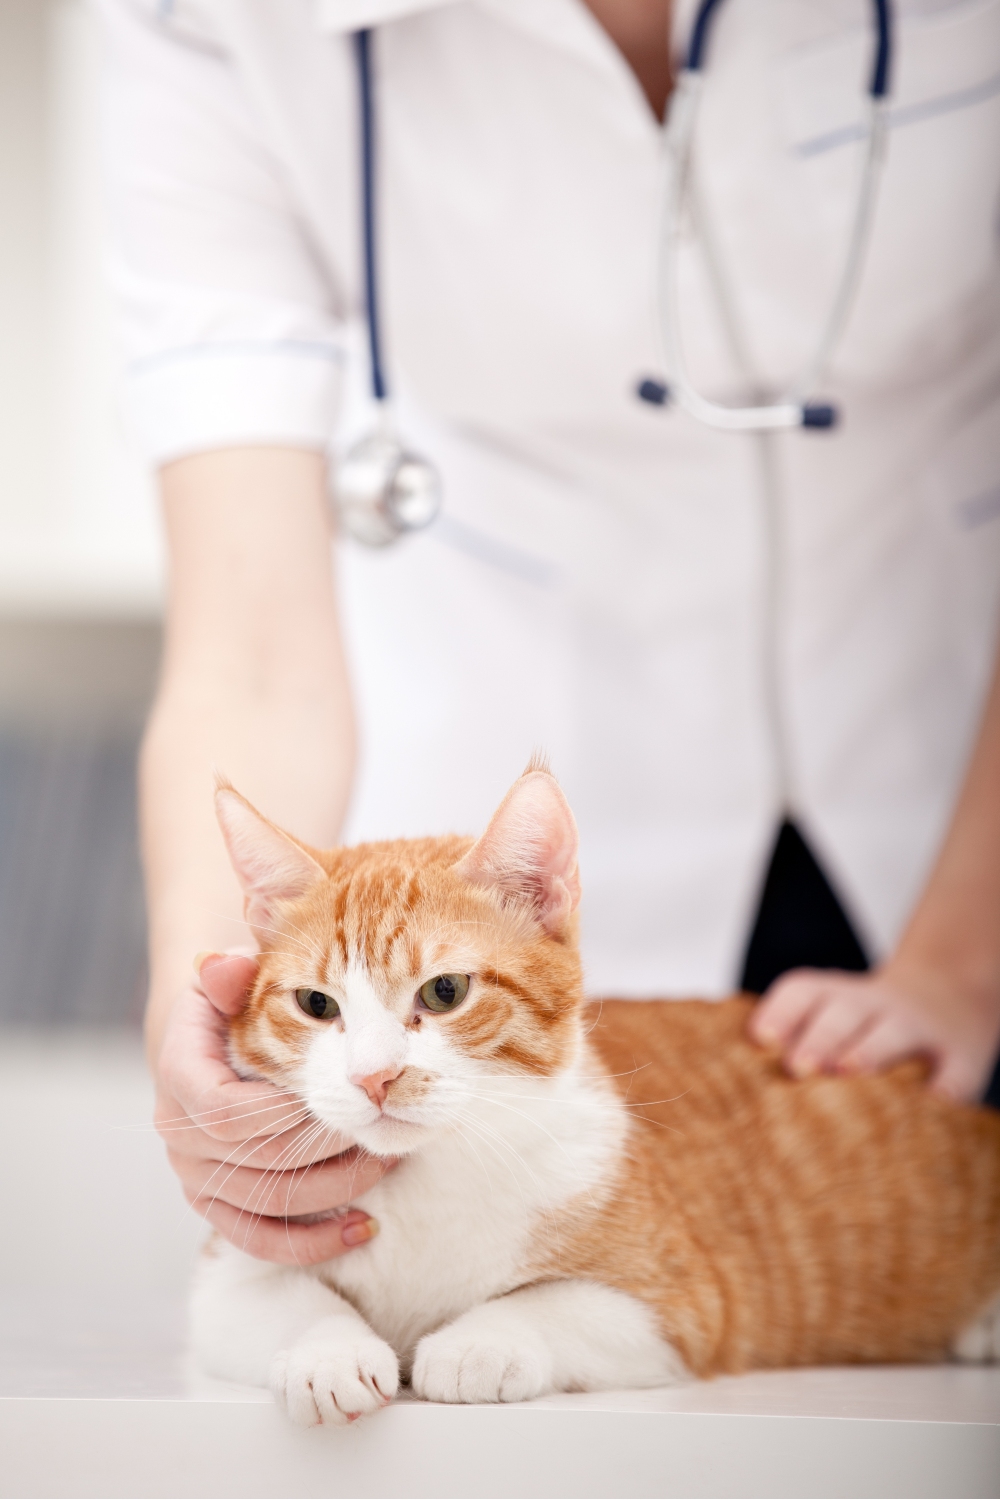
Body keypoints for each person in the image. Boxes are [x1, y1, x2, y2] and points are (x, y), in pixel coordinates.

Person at [98, 0, 1000, 1266]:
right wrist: (208, 1024)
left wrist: (969, 957)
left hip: (955, 811)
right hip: (480, 933)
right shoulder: (210, 20)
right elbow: (248, 646)